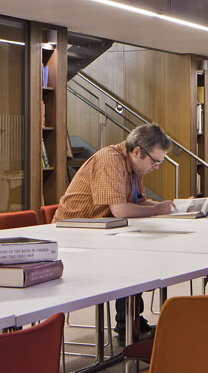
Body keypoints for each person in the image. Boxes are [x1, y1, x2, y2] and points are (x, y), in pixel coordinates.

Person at [59, 123, 176, 340]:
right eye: (155, 161)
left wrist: (164, 206)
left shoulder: (134, 165)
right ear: (137, 151)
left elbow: (138, 201)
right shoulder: (110, 160)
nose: (156, 167)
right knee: (132, 259)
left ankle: (131, 323)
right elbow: (121, 210)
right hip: (73, 233)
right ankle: (129, 326)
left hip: (102, 228)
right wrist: (156, 210)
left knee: (139, 253)